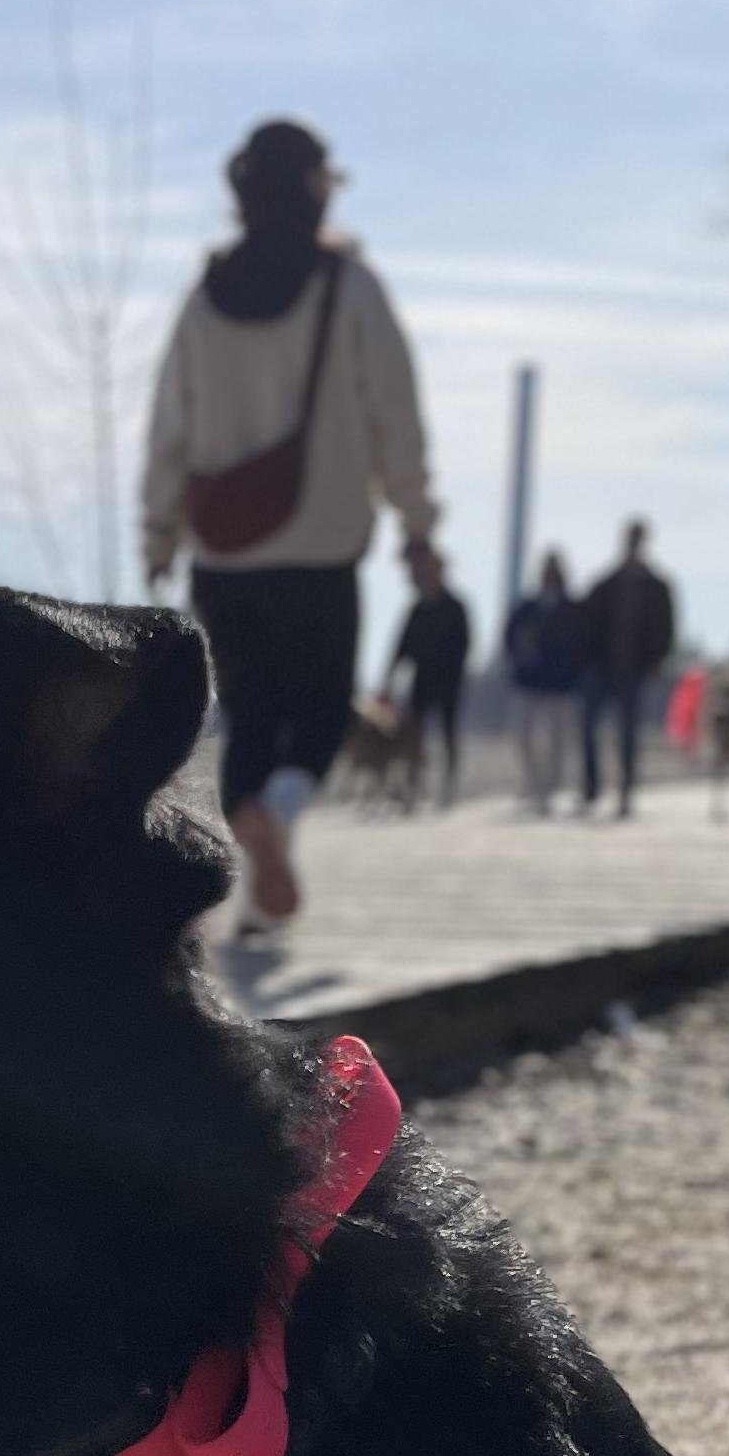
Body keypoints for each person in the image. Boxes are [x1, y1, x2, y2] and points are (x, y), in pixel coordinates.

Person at [141, 118, 440, 925]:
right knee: (318, 716)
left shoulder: (203, 300)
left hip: (222, 553)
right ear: (312, 192)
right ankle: (277, 813)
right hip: (319, 547)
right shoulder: (350, 289)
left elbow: (169, 426)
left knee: (249, 718)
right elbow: (397, 417)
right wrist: (417, 525)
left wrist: (158, 532)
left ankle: (255, 883)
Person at [574, 519, 676, 817]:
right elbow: (586, 622)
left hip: (634, 669)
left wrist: (658, 660)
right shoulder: (606, 584)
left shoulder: (656, 587)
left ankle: (626, 790)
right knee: (588, 725)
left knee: (628, 733)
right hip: (600, 668)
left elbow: (666, 627)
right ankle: (592, 786)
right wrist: (584, 660)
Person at [387, 540, 472, 806]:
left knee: (448, 732)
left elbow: (464, 644)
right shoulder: (417, 609)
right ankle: (413, 785)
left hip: (449, 680)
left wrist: (452, 670)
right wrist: (389, 677)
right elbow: (401, 647)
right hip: (422, 679)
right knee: (413, 733)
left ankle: (449, 786)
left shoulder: (455, 606)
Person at [502, 552, 580, 815]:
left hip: (561, 685)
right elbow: (510, 639)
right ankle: (533, 784)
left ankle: (550, 790)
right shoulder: (527, 608)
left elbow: (581, 645)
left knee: (559, 741)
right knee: (523, 736)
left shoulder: (571, 610)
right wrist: (520, 658)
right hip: (530, 683)